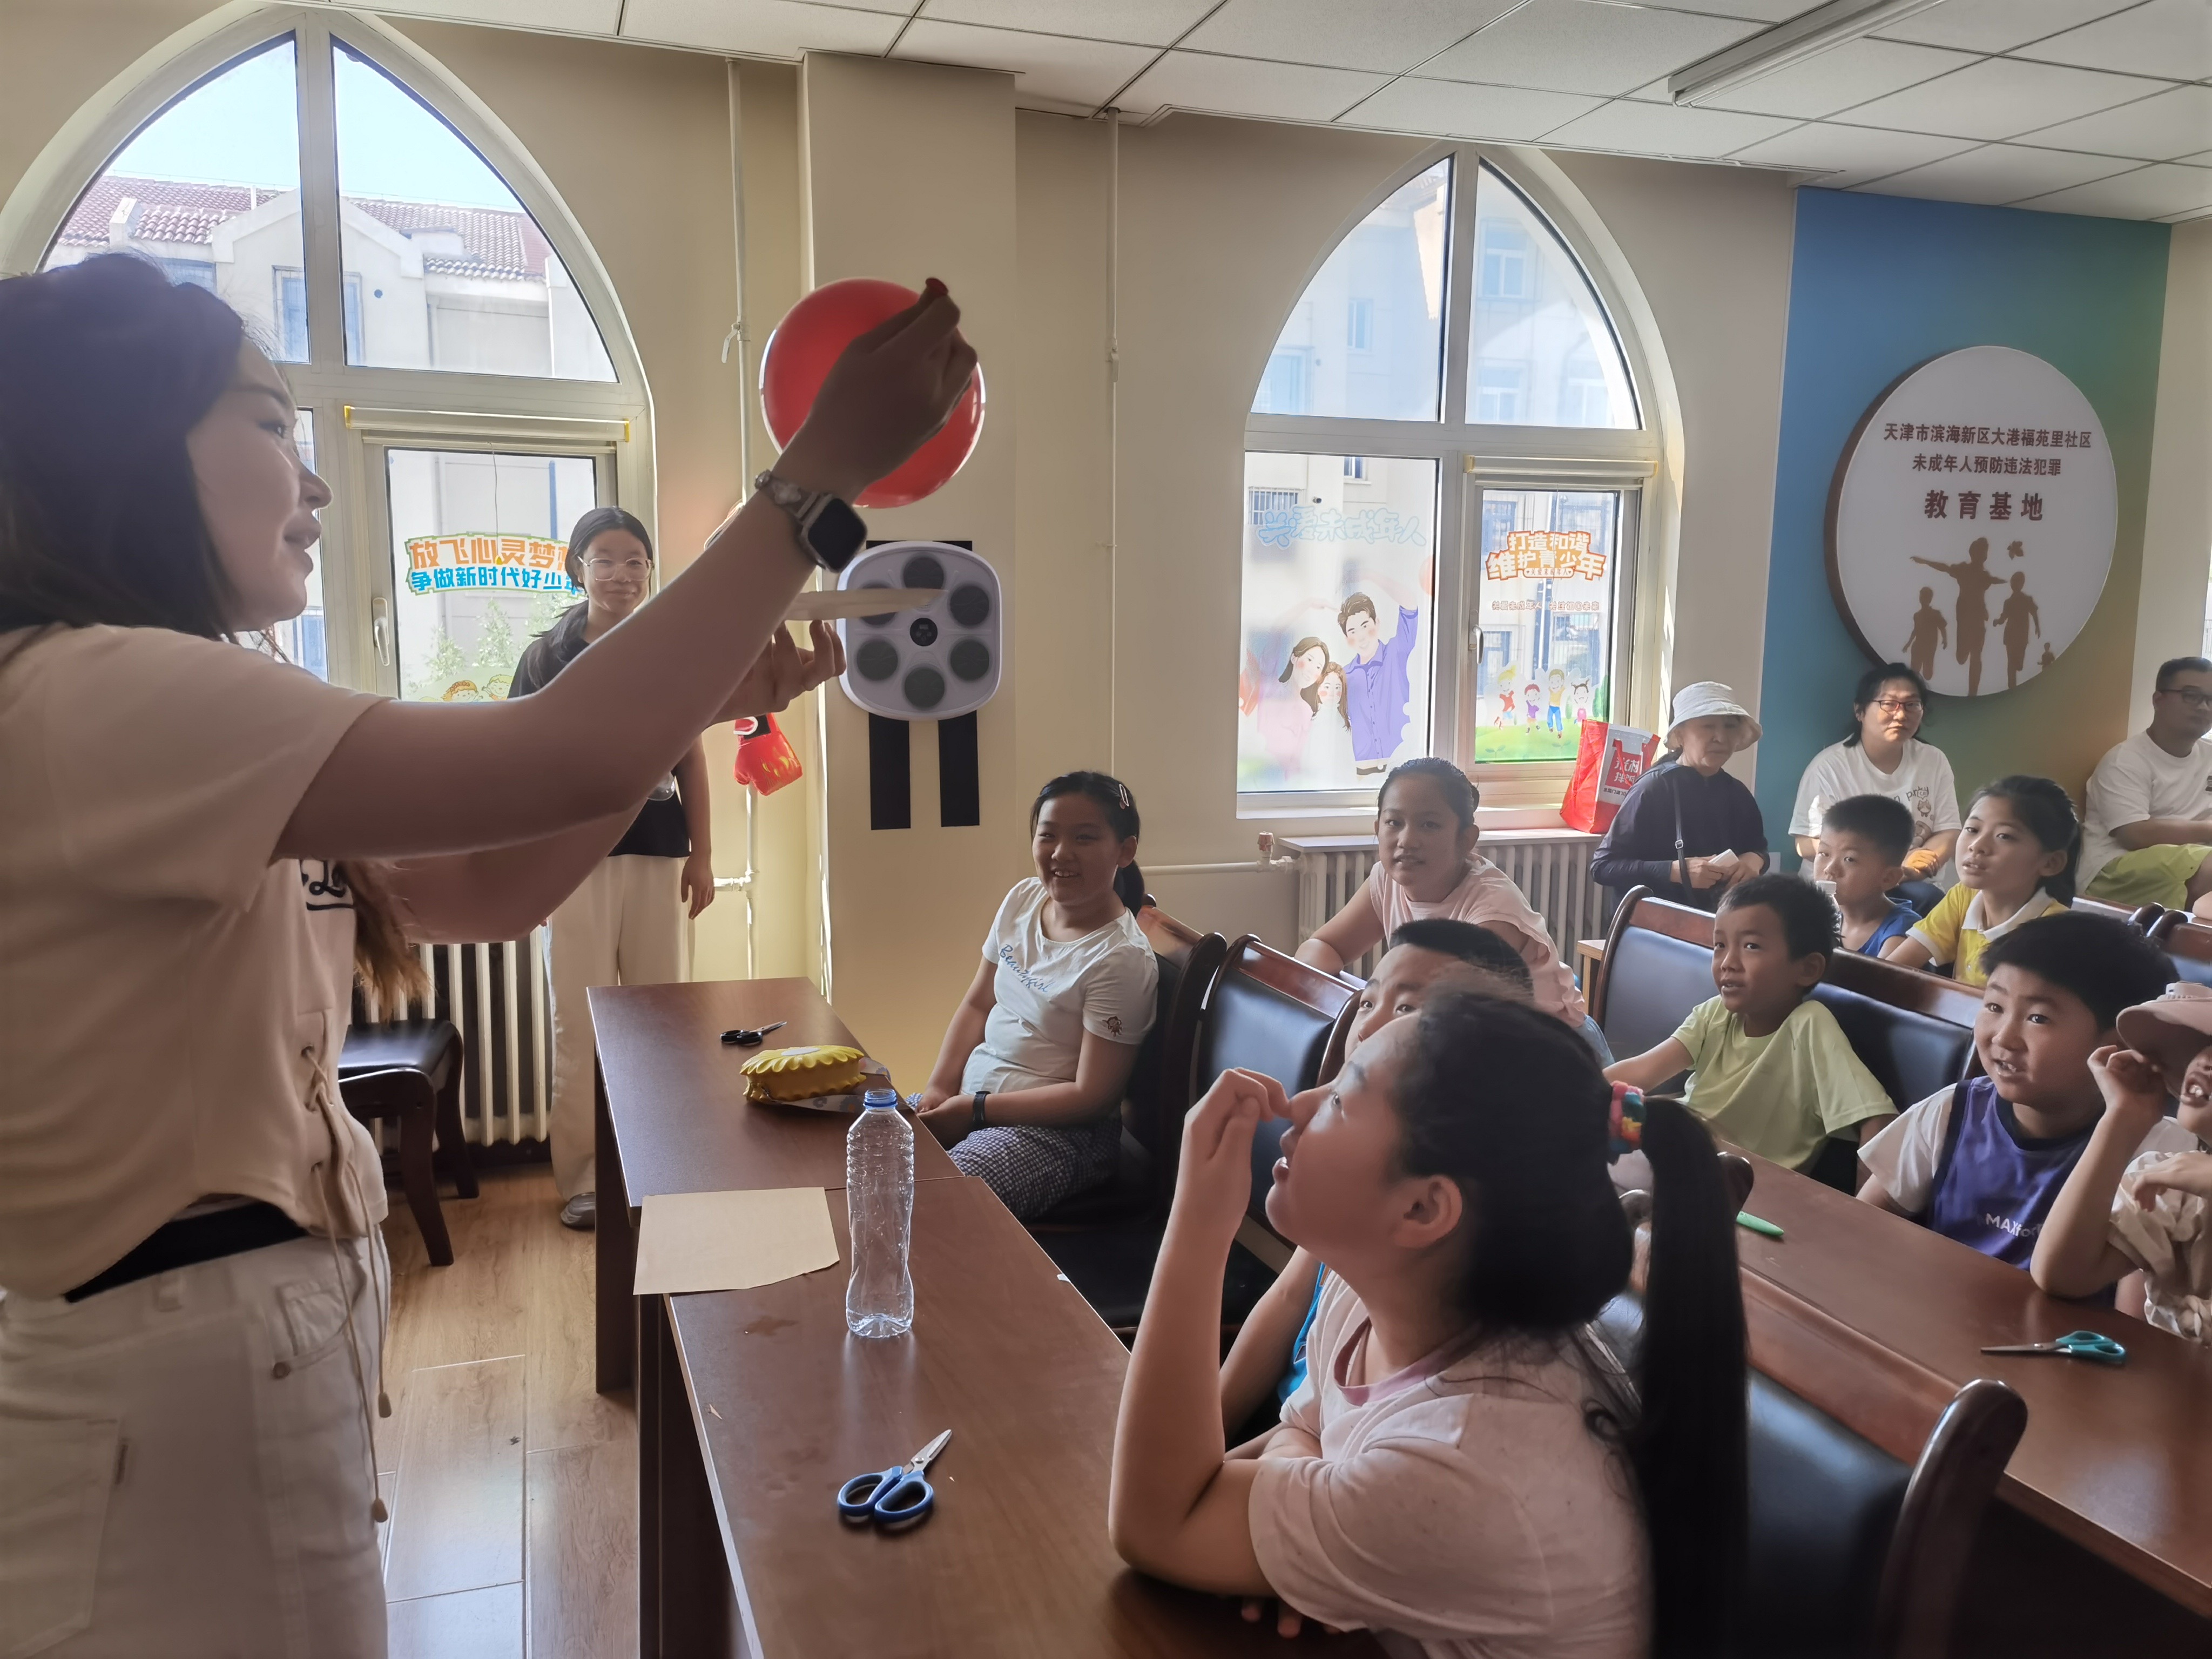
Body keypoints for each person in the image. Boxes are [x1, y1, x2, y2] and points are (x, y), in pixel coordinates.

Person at [0, 253, 968, 1652]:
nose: (312, 481)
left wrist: (692, 708)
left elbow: (484, 887)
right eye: (269, 424)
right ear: (121, 443)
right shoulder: (95, 690)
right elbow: (561, 750)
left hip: (223, 1351)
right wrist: (811, 482)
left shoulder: (171, 701)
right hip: (165, 1374)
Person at [1109, 995, 1747, 1658]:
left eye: (1340, 1100)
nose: (1297, 1107)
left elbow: (1156, 1524)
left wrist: (1197, 1225)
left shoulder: (1470, 1466)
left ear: (1421, 1209)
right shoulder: (1378, 1293)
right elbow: (1306, 1432)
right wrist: (1296, 1518)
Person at [1218, 920, 1535, 1440]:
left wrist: (1200, 1228)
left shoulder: (1419, 1219)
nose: (1368, 1028)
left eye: (1408, 1010)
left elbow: (1335, 1439)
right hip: (1297, 1428)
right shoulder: (1351, 1163)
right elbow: (1289, 1298)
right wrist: (1212, 1430)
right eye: (1368, 1002)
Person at [505, 507, 712, 1231]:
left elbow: (691, 760)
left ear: (649, 570)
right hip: (571, 865)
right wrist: (525, 871)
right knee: (581, 1025)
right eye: (605, 560)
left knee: (665, 1022)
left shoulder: (670, 654)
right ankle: (586, 1179)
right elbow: (516, 766)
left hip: (658, 857)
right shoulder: (545, 658)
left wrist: (705, 856)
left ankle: (665, 1167)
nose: (621, 574)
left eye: (634, 561)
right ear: (577, 568)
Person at [1860, 914, 2193, 1275]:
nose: (2003, 1037)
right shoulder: (1954, 1111)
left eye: (2038, 1018)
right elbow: (1862, 1224)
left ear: (2119, 1045)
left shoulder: (2162, 1156)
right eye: (1995, 1007)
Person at [913, 772, 1158, 1219]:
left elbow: (1092, 1096)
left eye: (1084, 838)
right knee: (861, 1145)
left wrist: (974, 1111)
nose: (1061, 853)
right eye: (1048, 836)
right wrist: (939, 1088)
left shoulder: (1120, 959)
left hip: (1061, 1134)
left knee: (939, 1202)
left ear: (1125, 851)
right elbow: (978, 1004)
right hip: (972, 1101)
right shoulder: (1024, 899)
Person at [1295, 758, 1607, 1059]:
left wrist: (1373, 1010)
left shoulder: (1494, 911)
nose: (1407, 840)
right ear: (1378, 829)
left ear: (1466, 839)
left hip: (1554, 1052)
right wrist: (1349, 1000)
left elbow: (1451, 1017)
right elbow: (1322, 946)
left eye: (1429, 825)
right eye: (1394, 823)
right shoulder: (1386, 880)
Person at [1606, 874, 1894, 1173]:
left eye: (1751, 946)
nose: (1728, 963)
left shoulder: (1810, 1026)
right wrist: (1584, 1091)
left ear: (1808, 969)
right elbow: (1642, 1072)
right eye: (1720, 945)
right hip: (1680, 1154)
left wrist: (1863, 1201)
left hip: (1742, 1183)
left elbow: (1878, 1119)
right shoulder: (1715, 1013)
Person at [2033, 982, 2212, 1340]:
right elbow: (2063, 1275)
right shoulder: (2174, 1185)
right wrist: (2122, 1118)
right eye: (2206, 1048)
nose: (2205, 1061)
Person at [1786, 662, 1959, 909]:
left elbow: (1948, 831)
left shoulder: (1933, 760)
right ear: (1860, 711)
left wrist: (1914, 868)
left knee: (1930, 900)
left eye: (1912, 704)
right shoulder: (1830, 767)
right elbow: (1805, 843)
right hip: (1847, 886)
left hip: (1914, 885)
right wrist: (1884, 867)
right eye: (1889, 704)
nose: (1901, 715)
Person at [1590, 680, 1769, 914]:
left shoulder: (1738, 793)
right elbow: (1603, 867)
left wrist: (1753, 861)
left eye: (1729, 727)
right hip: (1654, 926)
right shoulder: (1653, 789)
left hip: (1719, 922)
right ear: (1680, 735)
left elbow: (1758, 848)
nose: (1721, 737)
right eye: (1708, 726)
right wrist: (1675, 871)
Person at [1883, 776, 2076, 987]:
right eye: (1972, 830)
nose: (1977, 845)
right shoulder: (1964, 896)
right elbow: (1888, 971)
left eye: (2004, 836)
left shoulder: (2055, 933)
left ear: (2051, 863)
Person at [2078, 656, 2212, 912]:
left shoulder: (2209, 755)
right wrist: (2208, 830)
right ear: (2158, 700)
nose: (2204, 707)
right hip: (2115, 871)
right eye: (2192, 696)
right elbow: (2134, 834)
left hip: (2190, 857)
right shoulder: (2125, 760)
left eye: (2211, 699)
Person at [1813, 794, 1920, 956]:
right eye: (1824, 853)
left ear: (1889, 878)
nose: (1830, 869)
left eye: (1849, 859)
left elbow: (1881, 974)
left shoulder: (1902, 932)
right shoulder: (1822, 917)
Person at [1339, 591, 1421, 777]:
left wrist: (1371, 577)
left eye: (1365, 626)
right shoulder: (1344, 676)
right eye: (1353, 632)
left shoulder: (1396, 652)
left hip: (1403, 767)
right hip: (1363, 772)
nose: (1361, 637)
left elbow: (1410, 604)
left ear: (1377, 623)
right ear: (1347, 638)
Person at [1299, 662, 1355, 785]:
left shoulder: (1346, 723)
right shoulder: (1311, 719)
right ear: (1318, 689)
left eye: (1337, 688)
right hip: (1314, 783)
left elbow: (1349, 759)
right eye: (1327, 687)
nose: (1332, 693)